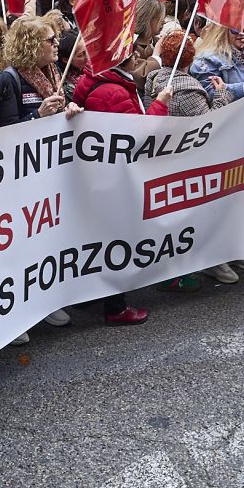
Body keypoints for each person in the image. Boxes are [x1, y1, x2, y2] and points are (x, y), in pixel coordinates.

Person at [67, 40, 153, 325]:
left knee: (94, 236)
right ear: (123, 60)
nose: (137, 57)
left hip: (95, 174)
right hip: (114, 177)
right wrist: (162, 105)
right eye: (133, 54)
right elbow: (139, 135)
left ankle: (89, 294)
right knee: (116, 239)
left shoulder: (93, 80)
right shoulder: (113, 90)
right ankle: (116, 307)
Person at [2, 16, 73, 119]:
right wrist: (38, 114)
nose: (57, 43)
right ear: (32, 46)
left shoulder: (54, 69)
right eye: (51, 40)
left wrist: (69, 108)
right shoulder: (10, 78)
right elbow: (7, 128)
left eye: (56, 38)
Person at [143, 31, 220, 118]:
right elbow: (209, 121)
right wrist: (221, 94)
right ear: (191, 57)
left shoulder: (154, 77)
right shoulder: (189, 91)